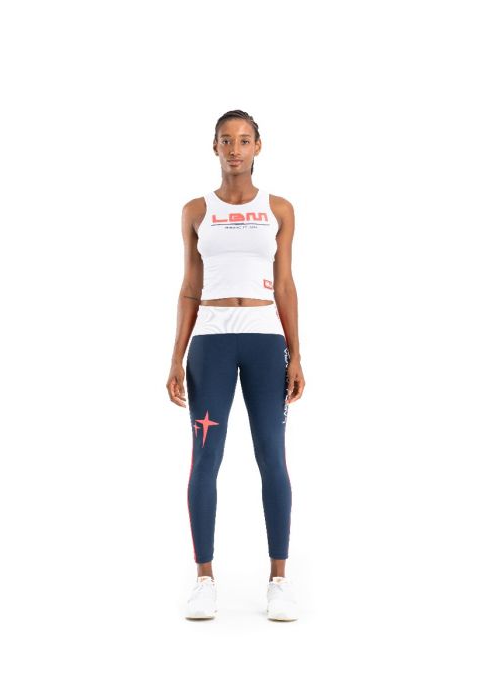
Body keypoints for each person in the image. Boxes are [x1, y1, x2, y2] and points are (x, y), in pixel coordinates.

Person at [166, 110, 305, 621]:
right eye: (226, 140)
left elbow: (285, 283)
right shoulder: (196, 211)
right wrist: (176, 356)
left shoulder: (279, 209)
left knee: (272, 456)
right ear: (215, 147)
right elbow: (190, 286)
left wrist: (297, 353)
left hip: (266, 339)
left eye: (244, 140)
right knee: (206, 459)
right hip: (212, 341)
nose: (234, 149)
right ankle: (204, 580)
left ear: (257, 147)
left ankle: (279, 581)